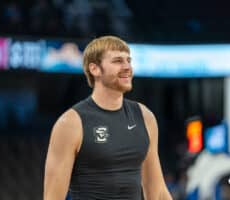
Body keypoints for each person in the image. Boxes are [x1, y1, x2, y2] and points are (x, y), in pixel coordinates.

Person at [44, 35, 172, 200]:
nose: (127, 67)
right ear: (95, 69)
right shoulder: (71, 123)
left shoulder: (145, 117)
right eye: (118, 61)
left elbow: (158, 191)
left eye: (129, 60)